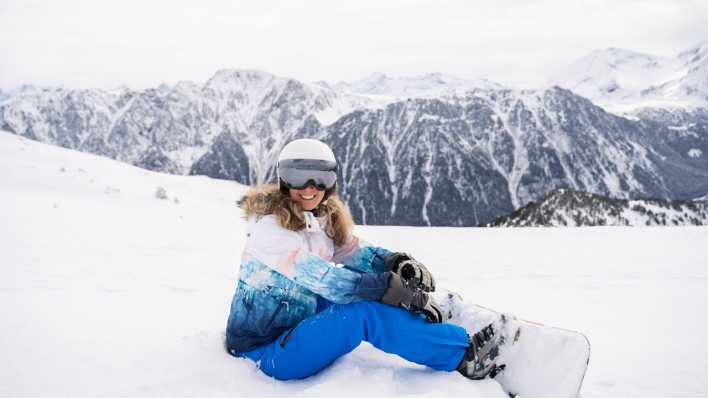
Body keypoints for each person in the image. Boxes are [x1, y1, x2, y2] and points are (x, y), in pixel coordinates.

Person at [225, 138, 503, 380]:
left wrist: (394, 264)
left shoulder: (317, 220)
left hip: (297, 314)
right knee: (362, 313)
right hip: (264, 353)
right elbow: (327, 280)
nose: (309, 187)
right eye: (298, 176)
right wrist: (387, 288)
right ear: (283, 180)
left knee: (366, 296)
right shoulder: (270, 230)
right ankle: (463, 357)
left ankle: (423, 325)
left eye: (321, 178)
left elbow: (353, 251)